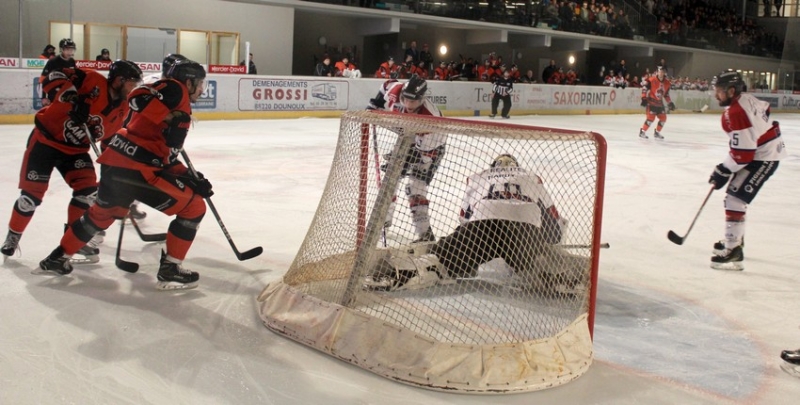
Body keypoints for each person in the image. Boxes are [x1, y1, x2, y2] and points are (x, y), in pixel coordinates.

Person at [38, 59, 212, 291]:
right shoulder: (175, 88)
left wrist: (189, 176)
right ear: (189, 82)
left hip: (117, 163)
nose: (202, 89)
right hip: (137, 170)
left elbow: (164, 154)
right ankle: (170, 269)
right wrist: (169, 118)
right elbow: (137, 96)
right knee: (194, 207)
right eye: (200, 83)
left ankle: (57, 258)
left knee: (101, 215)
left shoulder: (173, 97)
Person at [365, 154, 572, 292]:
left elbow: (465, 218)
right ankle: (553, 276)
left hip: (483, 226)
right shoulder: (531, 176)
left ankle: (404, 274)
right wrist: (546, 242)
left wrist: (466, 250)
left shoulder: (477, 177)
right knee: (536, 261)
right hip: (523, 231)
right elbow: (552, 219)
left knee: (442, 259)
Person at [2, 60, 143, 262]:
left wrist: (114, 167)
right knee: (30, 198)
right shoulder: (91, 79)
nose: (133, 88)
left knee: (87, 192)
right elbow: (52, 76)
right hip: (45, 142)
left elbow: (109, 140)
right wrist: (73, 97)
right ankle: (13, 236)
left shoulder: (122, 108)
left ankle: (72, 240)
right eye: (131, 83)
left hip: (75, 151)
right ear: (119, 80)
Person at [707, 70, 785, 271]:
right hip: (762, 151)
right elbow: (766, 109)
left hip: (764, 156)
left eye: (719, 90)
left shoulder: (736, 112)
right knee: (734, 197)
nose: (716, 95)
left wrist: (723, 170)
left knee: (735, 198)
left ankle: (733, 249)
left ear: (731, 91)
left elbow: (743, 154)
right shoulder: (745, 99)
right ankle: (735, 240)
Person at [367, 74, 445, 243]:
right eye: (406, 99)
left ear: (422, 99)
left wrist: (403, 163)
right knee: (390, 180)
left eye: (413, 102)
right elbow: (386, 84)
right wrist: (376, 103)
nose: (409, 105)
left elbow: (423, 152)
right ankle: (384, 220)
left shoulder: (431, 119)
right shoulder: (396, 90)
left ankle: (425, 234)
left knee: (415, 187)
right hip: (407, 137)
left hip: (430, 150)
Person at [39, 38, 78, 107]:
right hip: (53, 94)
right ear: (61, 49)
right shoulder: (53, 61)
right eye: (67, 49)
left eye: (71, 49)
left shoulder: (72, 61)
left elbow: (74, 78)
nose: (69, 52)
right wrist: (44, 97)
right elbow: (43, 79)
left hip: (66, 94)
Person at [638, 66, 674, 140]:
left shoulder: (667, 83)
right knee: (650, 118)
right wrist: (643, 98)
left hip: (660, 104)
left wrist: (670, 102)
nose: (661, 73)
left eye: (662, 72)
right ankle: (642, 131)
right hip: (651, 102)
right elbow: (644, 88)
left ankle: (657, 132)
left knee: (663, 118)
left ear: (665, 73)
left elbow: (666, 95)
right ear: (657, 72)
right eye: (659, 71)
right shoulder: (651, 80)